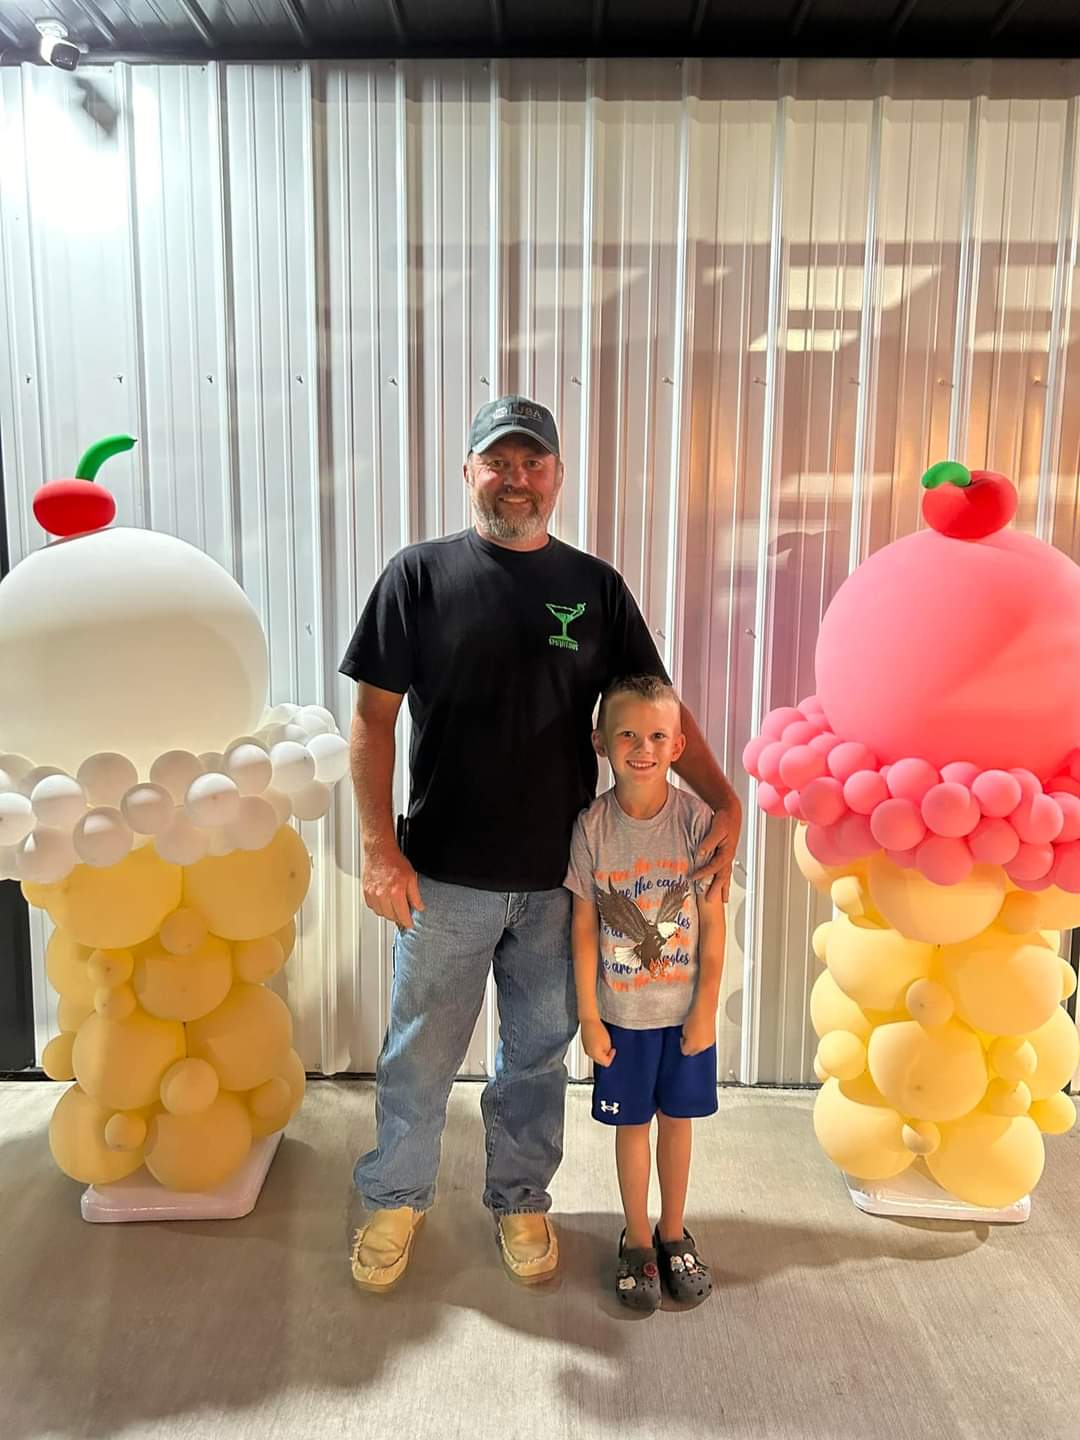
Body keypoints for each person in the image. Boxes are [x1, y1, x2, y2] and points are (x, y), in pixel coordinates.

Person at [340, 394, 741, 1293]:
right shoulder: (418, 576)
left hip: (563, 882)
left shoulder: (595, 587)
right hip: (444, 878)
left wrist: (725, 799)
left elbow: (657, 709)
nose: (515, 479)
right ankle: (395, 1197)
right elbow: (371, 719)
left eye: (533, 463)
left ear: (557, 476)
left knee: (534, 1058)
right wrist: (377, 848)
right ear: (470, 471)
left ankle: (520, 1199)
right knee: (420, 1054)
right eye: (499, 461)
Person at [565, 673, 726, 1311]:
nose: (643, 748)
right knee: (631, 1125)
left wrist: (706, 1009)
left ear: (678, 746)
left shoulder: (697, 821)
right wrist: (589, 1015)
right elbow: (584, 927)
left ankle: (673, 1231)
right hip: (622, 1018)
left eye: (658, 736)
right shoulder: (591, 829)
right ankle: (635, 1238)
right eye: (628, 734)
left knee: (676, 1122)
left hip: (684, 1015)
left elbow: (713, 925)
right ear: (601, 742)